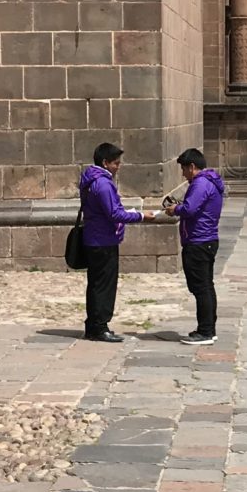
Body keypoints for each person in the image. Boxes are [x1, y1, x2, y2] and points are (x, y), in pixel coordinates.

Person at [78, 142, 153, 342]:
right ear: (105, 162)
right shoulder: (102, 183)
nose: (118, 167)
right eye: (116, 163)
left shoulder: (91, 180)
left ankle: (94, 324)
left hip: (96, 237)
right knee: (104, 285)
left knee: (96, 284)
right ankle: (99, 326)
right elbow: (114, 213)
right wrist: (140, 216)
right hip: (103, 240)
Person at [166, 148, 224, 346]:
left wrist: (175, 209)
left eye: (184, 169)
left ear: (192, 167)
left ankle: (206, 331)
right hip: (206, 239)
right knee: (206, 286)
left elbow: (190, 209)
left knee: (201, 287)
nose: (183, 174)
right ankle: (208, 328)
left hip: (199, 241)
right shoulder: (209, 182)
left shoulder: (200, 183)